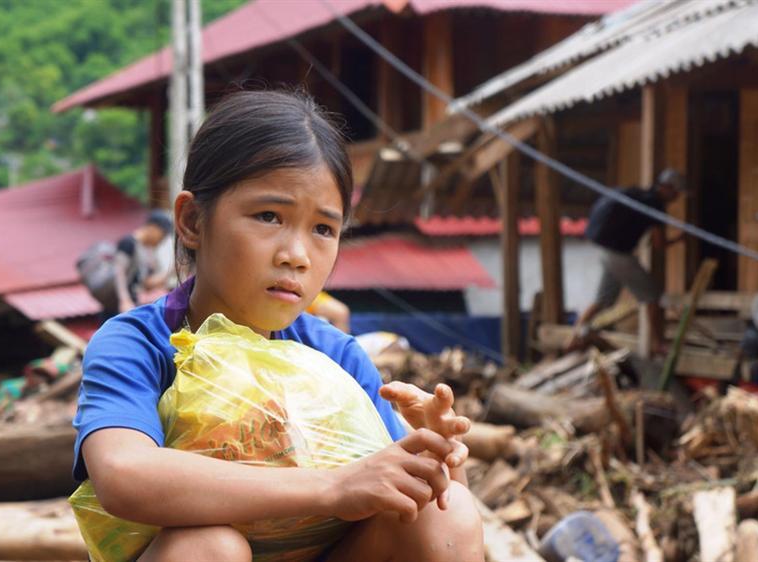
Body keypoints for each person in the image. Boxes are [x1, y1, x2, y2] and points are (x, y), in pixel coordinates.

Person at [73, 90, 484, 562]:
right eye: (269, 216)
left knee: (444, 512)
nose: (297, 255)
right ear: (190, 221)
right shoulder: (139, 344)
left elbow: (415, 504)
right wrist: (332, 487)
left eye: (323, 229)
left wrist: (441, 458)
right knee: (208, 547)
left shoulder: (336, 357)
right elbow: (124, 474)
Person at [572, 168, 685, 353]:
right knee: (653, 296)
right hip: (620, 255)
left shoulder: (639, 195)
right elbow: (659, 244)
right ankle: (659, 345)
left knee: (603, 299)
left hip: (606, 252)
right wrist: (679, 239)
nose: (677, 197)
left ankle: (577, 334)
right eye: (676, 192)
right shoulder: (656, 206)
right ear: (667, 188)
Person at [111, 210, 175, 316]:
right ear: (153, 228)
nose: (161, 240)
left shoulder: (146, 252)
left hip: (131, 304)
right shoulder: (128, 243)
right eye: (162, 235)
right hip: (117, 307)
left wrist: (172, 270)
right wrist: (124, 300)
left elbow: (147, 284)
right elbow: (118, 273)